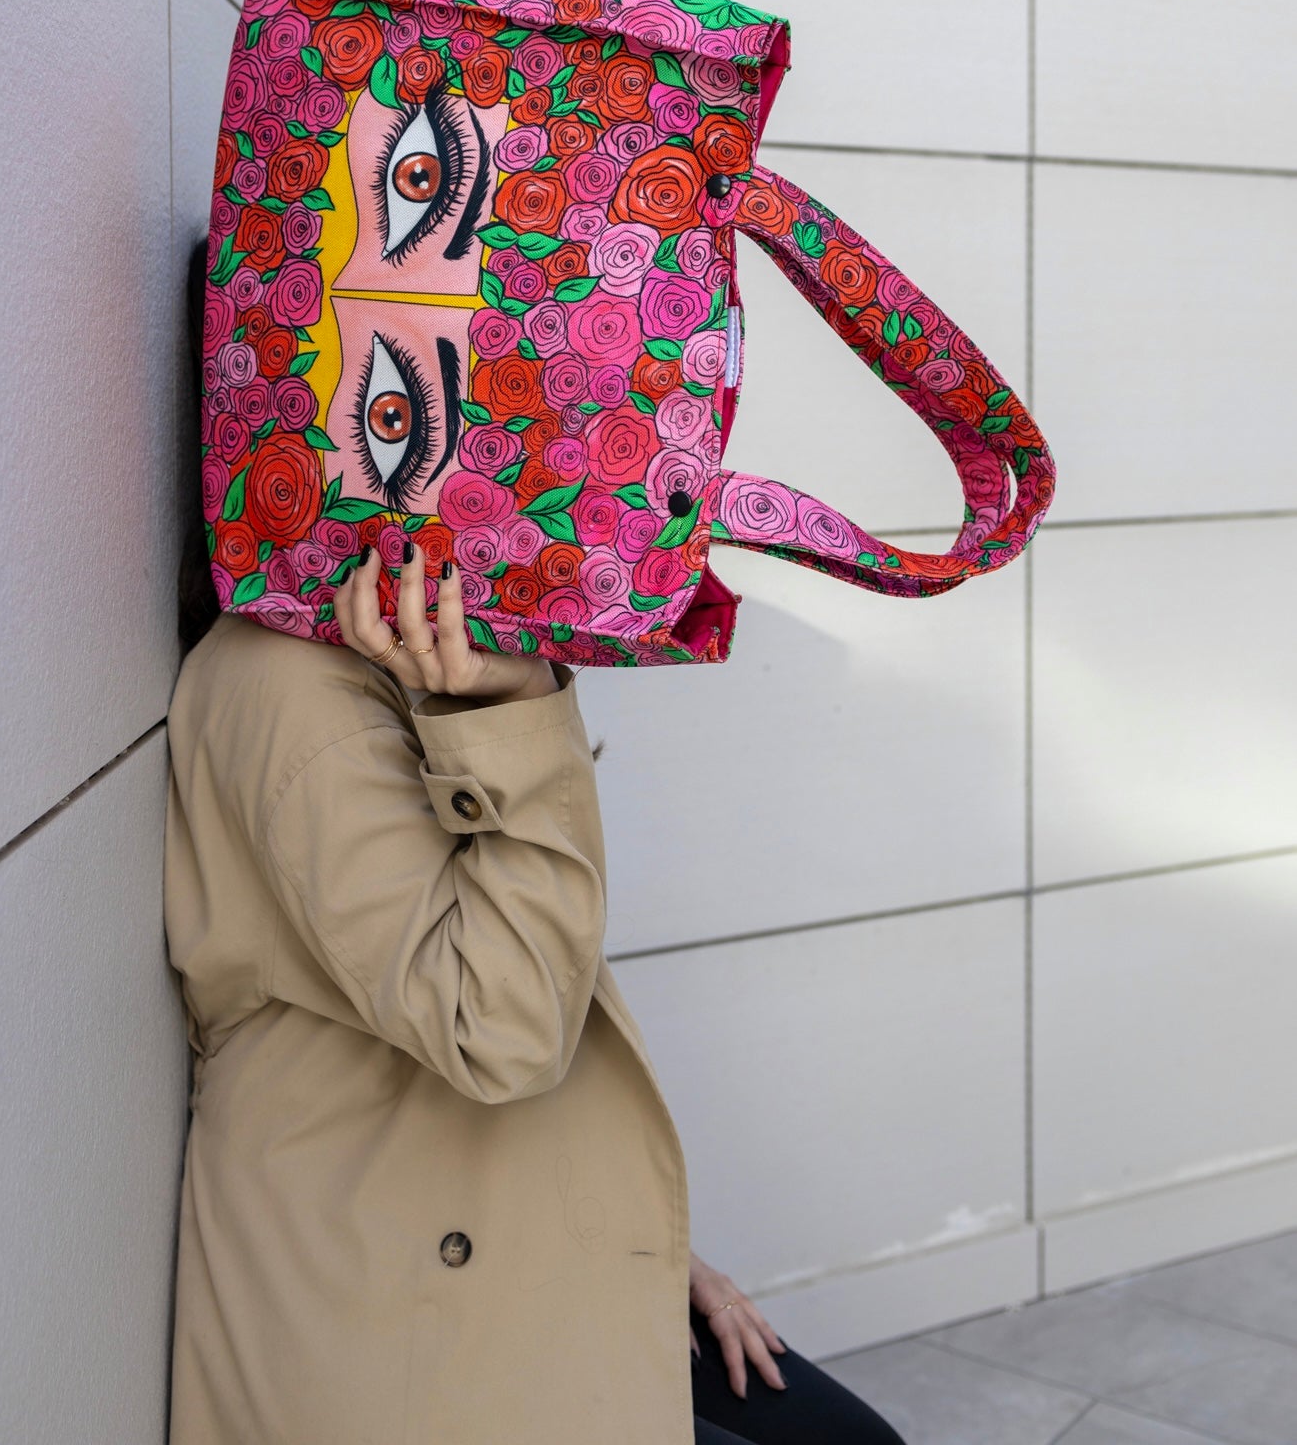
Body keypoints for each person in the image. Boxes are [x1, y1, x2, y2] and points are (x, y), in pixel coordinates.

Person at [165, 537, 906, 1444]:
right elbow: (499, 1028)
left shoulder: (392, 648)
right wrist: (520, 708)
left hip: (495, 1221)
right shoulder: (294, 688)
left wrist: (649, 1251)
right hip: (404, 1308)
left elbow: (529, 976)